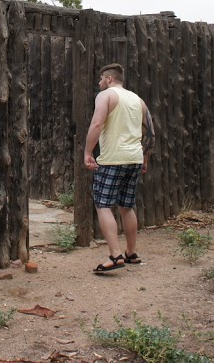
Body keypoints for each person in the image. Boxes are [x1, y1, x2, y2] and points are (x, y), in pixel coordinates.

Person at [83, 63, 154, 273]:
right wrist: (145, 158)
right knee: (126, 206)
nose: (99, 83)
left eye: (101, 79)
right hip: (134, 159)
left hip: (112, 159)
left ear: (109, 79)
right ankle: (131, 253)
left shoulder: (105, 96)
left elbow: (96, 124)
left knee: (103, 204)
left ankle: (115, 256)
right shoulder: (138, 100)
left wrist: (88, 152)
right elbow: (150, 131)